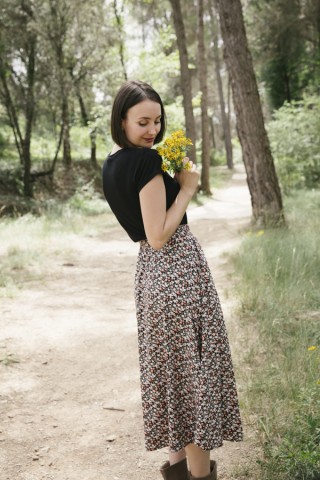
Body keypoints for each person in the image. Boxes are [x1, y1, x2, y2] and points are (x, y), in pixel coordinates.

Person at [102, 80, 243, 480]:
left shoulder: (112, 163)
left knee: (175, 383)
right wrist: (187, 188)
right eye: (142, 122)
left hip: (150, 276)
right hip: (176, 270)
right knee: (193, 385)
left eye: (157, 121)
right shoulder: (145, 162)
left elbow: (146, 237)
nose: (152, 131)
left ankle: (181, 471)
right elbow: (159, 235)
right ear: (122, 121)